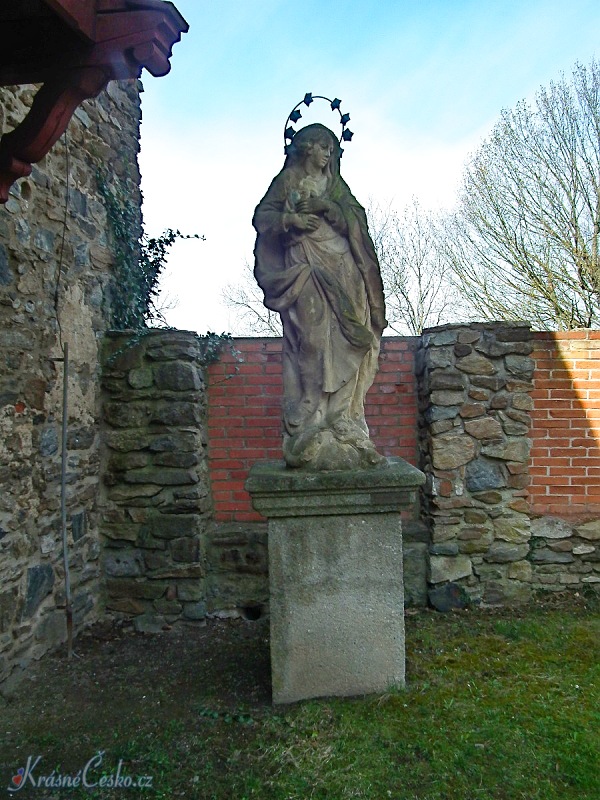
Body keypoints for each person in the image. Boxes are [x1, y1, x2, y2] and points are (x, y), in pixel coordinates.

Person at [252, 123, 387, 470]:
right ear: (307, 147)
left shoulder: (336, 186)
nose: (328, 154)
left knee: (351, 337)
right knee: (311, 338)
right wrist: (292, 220)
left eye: (331, 148)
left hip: (344, 266)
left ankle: (342, 415)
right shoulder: (287, 181)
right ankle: (310, 408)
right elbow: (262, 217)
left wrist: (327, 207)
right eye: (323, 146)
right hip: (306, 266)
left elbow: (356, 221)